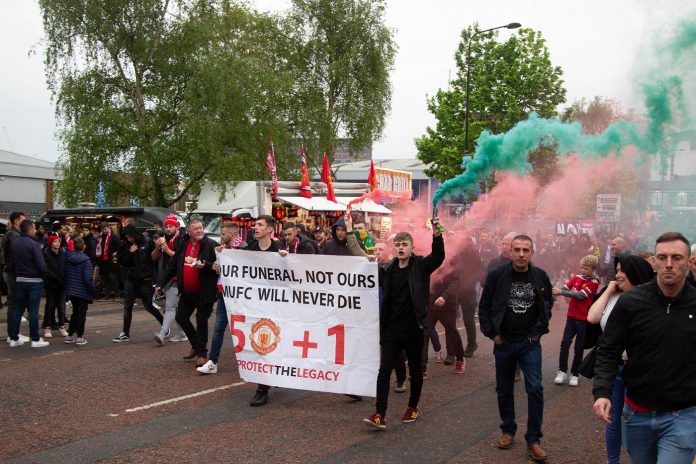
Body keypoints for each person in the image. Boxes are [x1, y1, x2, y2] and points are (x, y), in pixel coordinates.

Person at [593, 232, 696, 464]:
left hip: (683, 414)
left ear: (688, 261)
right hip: (636, 413)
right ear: (654, 261)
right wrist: (602, 392)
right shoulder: (631, 302)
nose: (669, 264)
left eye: (677, 257)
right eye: (663, 257)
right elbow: (608, 349)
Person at [363, 217, 444, 430]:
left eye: (404, 244)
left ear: (411, 247)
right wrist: (360, 241)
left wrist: (437, 233)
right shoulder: (388, 268)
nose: (400, 248)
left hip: (414, 329)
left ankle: (413, 406)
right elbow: (370, 274)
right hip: (391, 329)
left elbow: (438, 256)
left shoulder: (421, 266)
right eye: (397, 245)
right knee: (384, 370)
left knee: (415, 371)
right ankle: (380, 413)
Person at [478, 235, 553, 462]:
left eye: (526, 250)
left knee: (535, 388)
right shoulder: (496, 275)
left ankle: (533, 438)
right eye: (517, 250)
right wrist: (493, 334)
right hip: (505, 343)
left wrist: (539, 330)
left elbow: (547, 304)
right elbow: (484, 307)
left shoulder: (540, 276)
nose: (521, 254)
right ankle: (508, 430)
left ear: (532, 252)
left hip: (530, 343)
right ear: (510, 251)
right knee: (504, 389)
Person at [587, 254, 654, 464]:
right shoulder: (613, 296)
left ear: (636, 273)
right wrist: (608, 290)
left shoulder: (652, 300)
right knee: (613, 421)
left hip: (642, 371)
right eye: (616, 270)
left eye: (622, 270)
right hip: (615, 369)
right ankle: (612, 461)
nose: (617, 275)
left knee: (641, 421)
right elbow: (592, 318)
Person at [157, 220, 218, 368]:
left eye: (201, 228)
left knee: (201, 321)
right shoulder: (183, 244)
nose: (199, 231)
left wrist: (206, 266)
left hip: (204, 292)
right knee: (181, 317)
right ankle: (196, 345)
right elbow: (173, 264)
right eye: (195, 229)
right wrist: (161, 283)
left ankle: (202, 354)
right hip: (187, 291)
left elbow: (219, 267)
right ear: (189, 232)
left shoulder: (211, 245)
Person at [197, 221, 247, 375]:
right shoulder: (223, 249)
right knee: (218, 328)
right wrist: (214, 263)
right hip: (225, 294)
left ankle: (252, 362)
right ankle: (213, 361)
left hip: (241, 298)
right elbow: (219, 271)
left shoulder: (244, 248)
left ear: (232, 234)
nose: (221, 236)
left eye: (223, 234)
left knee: (246, 329)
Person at [243, 215, 282, 406]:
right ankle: (262, 388)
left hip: (277, 306)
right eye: (255, 224)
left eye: (259, 225)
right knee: (261, 343)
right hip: (257, 305)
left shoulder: (279, 249)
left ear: (269, 229)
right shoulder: (250, 248)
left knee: (277, 343)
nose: (254, 227)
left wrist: (286, 260)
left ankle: (275, 378)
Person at [552, 255, 600, 386]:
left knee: (578, 348)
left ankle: (575, 373)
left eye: (586, 268)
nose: (583, 270)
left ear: (593, 269)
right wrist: (554, 290)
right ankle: (562, 371)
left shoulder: (594, 283)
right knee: (565, 343)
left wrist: (561, 293)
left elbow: (580, 295)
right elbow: (565, 289)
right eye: (582, 267)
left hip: (583, 320)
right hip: (571, 317)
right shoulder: (576, 278)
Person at [112, 224, 164, 343]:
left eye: (130, 237)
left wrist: (156, 249)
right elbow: (123, 262)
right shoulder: (125, 245)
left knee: (148, 305)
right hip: (131, 279)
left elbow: (154, 259)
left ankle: (164, 326)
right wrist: (130, 252)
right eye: (127, 237)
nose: (129, 239)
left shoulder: (147, 242)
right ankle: (125, 332)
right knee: (128, 305)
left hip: (146, 279)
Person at [8, 219, 49, 348]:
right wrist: (45, 277)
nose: (35, 230)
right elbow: (41, 265)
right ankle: (35, 339)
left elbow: (12, 263)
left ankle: (14, 338)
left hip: (20, 279)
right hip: (34, 281)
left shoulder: (15, 243)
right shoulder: (34, 244)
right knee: (33, 310)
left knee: (18, 309)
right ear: (30, 229)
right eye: (34, 228)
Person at [151, 214, 187, 344]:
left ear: (176, 227)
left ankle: (162, 333)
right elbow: (154, 257)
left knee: (170, 306)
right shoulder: (163, 239)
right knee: (174, 308)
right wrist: (157, 248)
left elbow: (180, 259)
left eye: (170, 226)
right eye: (166, 226)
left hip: (176, 278)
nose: (167, 228)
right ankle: (182, 333)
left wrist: (166, 250)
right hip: (165, 278)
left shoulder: (181, 239)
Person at [428, 260, 465, 373]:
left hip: (447, 304)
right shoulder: (431, 259)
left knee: (451, 331)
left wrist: (445, 296)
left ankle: (459, 359)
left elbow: (456, 282)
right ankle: (422, 365)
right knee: (426, 331)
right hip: (431, 303)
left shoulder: (453, 259)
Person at [63, 237, 96, 345]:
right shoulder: (86, 261)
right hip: (83, 291)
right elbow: (88, 279)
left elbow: (63, 273)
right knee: (81, 314)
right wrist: (93, 290)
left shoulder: (67, 258)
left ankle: (70, 335)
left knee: (75, 313)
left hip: (71, 290)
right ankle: (80, 336)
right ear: (84, 247)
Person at [3, 211, 28, 344]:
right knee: (14, 304)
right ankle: (12, 334)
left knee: (16, 304)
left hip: (13, 272)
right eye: (23, 220)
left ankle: (14, 333)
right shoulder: (13, 235)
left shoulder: (15, 234)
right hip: (13, 273)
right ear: (17, 221)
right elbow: (17, 256)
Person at [42, 235, 67, 338]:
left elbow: (66, 266)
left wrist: (63, 278)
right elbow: (45, 268)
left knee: (61, 306)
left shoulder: (63, 253)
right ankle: (47, 327)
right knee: (50, 306)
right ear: (50, 243)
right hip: (51, 284)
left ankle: (61, 326)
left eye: (58, 241)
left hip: (61, 284)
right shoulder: (46, 253)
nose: (57, 243)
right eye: (55, 241)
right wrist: (55, 277)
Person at [95, 222, 120, 300]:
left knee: (113, 278)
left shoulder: (114, 236)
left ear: (108, 228)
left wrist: (116, 252)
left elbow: (119, 247)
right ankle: (107, 295)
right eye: (102, 229)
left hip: (111, 261)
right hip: (103, 261)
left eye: (105, 229)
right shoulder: (100, 237)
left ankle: (117, 295)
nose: (104, 230)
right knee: (105, 279)